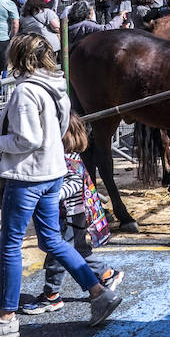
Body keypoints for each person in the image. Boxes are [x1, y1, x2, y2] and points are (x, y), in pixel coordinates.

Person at [0, 34, 123, 337]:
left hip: (27, 176)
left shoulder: (25, 91)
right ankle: (97, 292)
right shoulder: (57, 86)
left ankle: (6, 316)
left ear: (20, 58)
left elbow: (26, 140)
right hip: (52, 171)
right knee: (53, 240)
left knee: (10, 245)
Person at [18, 112, 121, 315]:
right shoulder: (66, 157)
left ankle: (51, 295)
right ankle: (107, 273)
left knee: (57, 254)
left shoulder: (68, 159)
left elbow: (74, 184)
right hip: (71, 213)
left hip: (71, 213)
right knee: (79, 250)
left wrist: (52, 196)